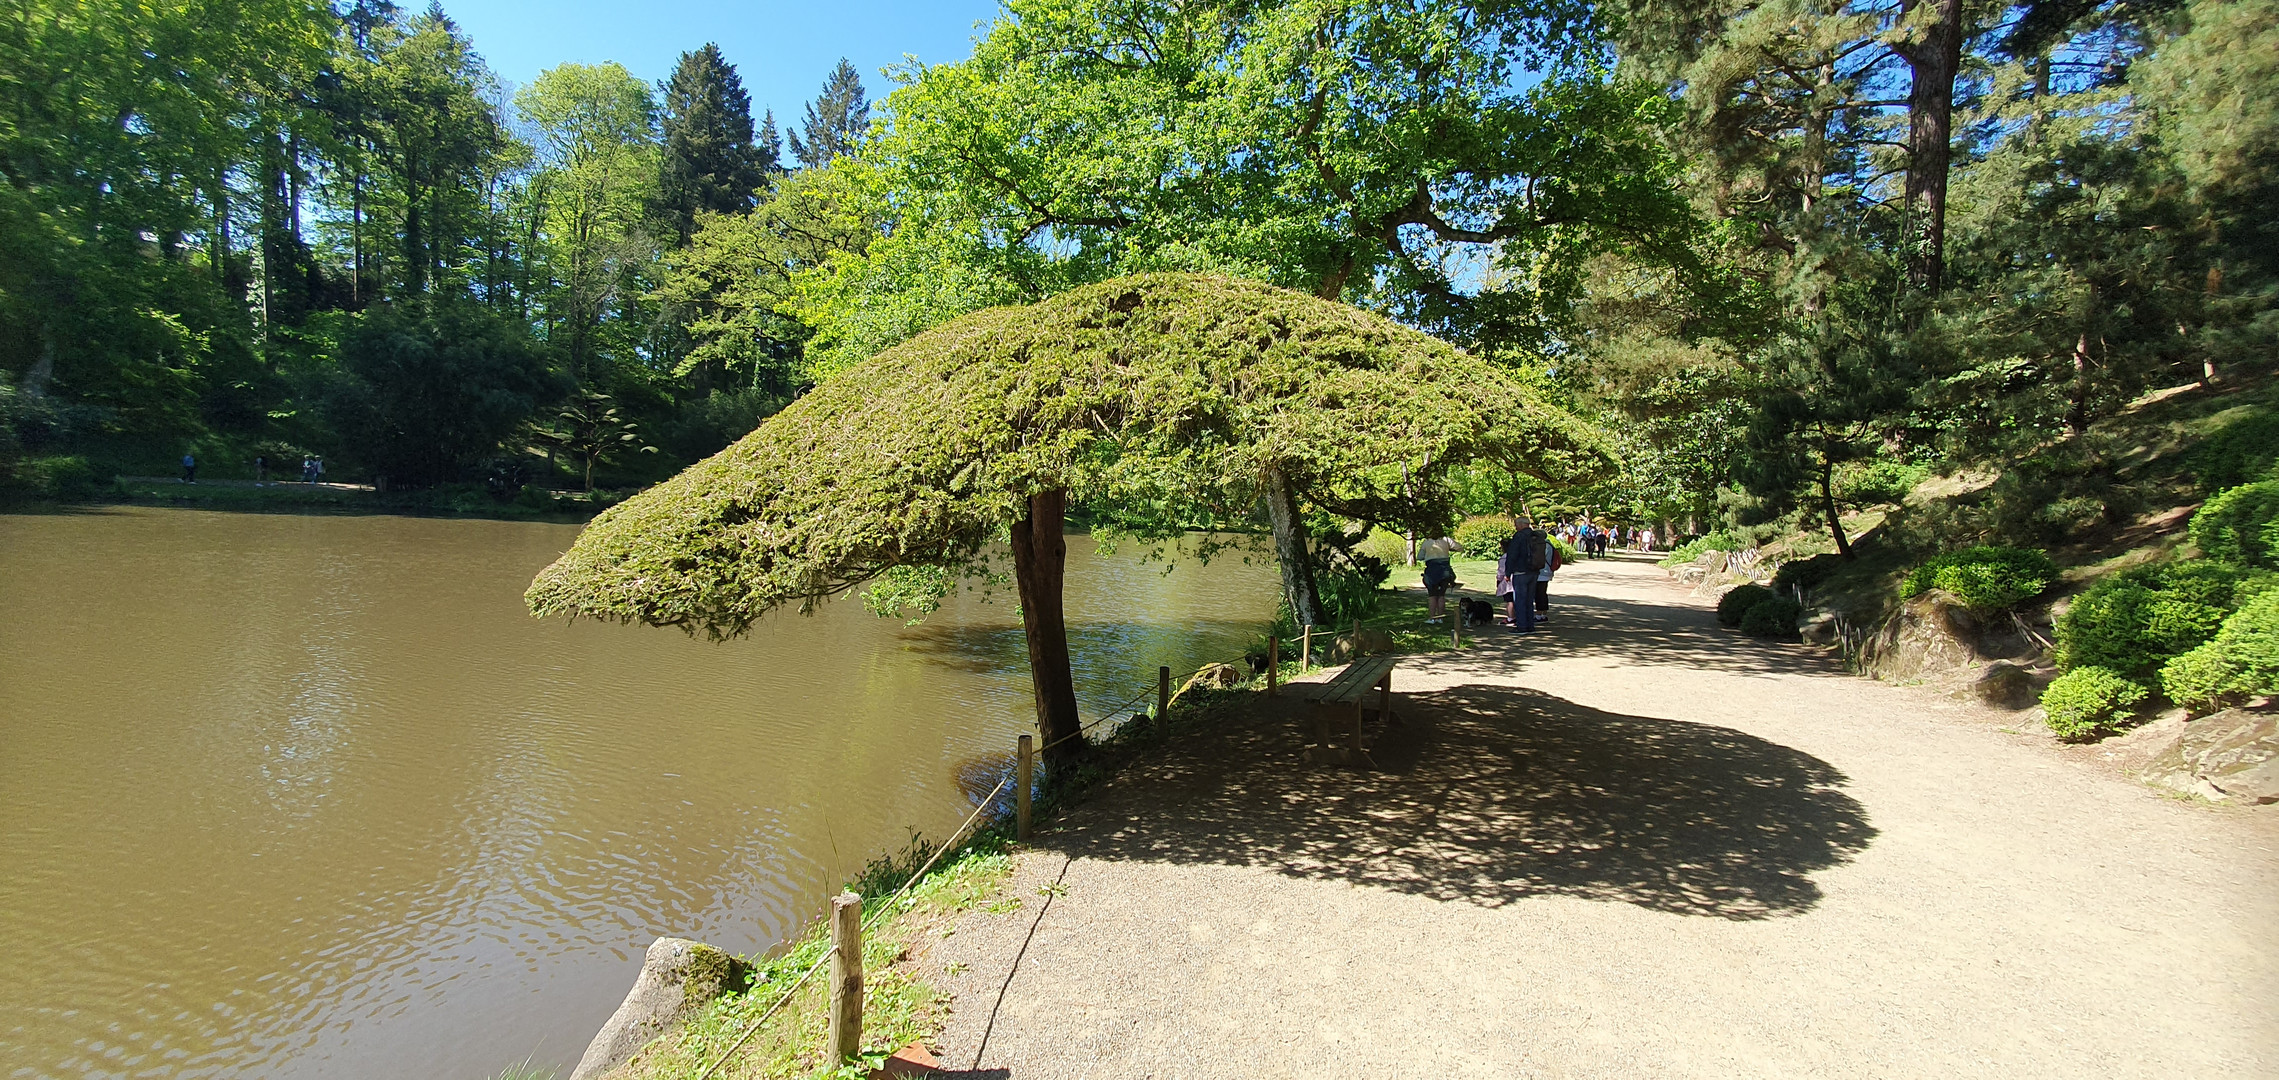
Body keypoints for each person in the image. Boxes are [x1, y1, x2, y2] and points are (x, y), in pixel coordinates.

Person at [1498, 517, 1544, 632]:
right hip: (1534, 571)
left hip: (1521, 572)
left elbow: (1512, 555)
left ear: (1522, 524)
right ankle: (1530, 625)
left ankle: (1522, 626)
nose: (1515, 527)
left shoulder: (1519, 536)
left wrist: (1507, 573)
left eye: (1516, 524)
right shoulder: (1536, 536)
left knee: (1520, 600)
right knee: (1529, 600)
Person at [1418, 533, 1458, 622]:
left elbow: (1419, 557)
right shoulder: (1446, 540)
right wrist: (1449, 549)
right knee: (1441, 595)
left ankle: (1432, 618)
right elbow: (1459, 547)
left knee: (1432, 596)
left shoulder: (1426, 542)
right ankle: (1440, 618)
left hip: (1432, 571)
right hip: (1444, 571)